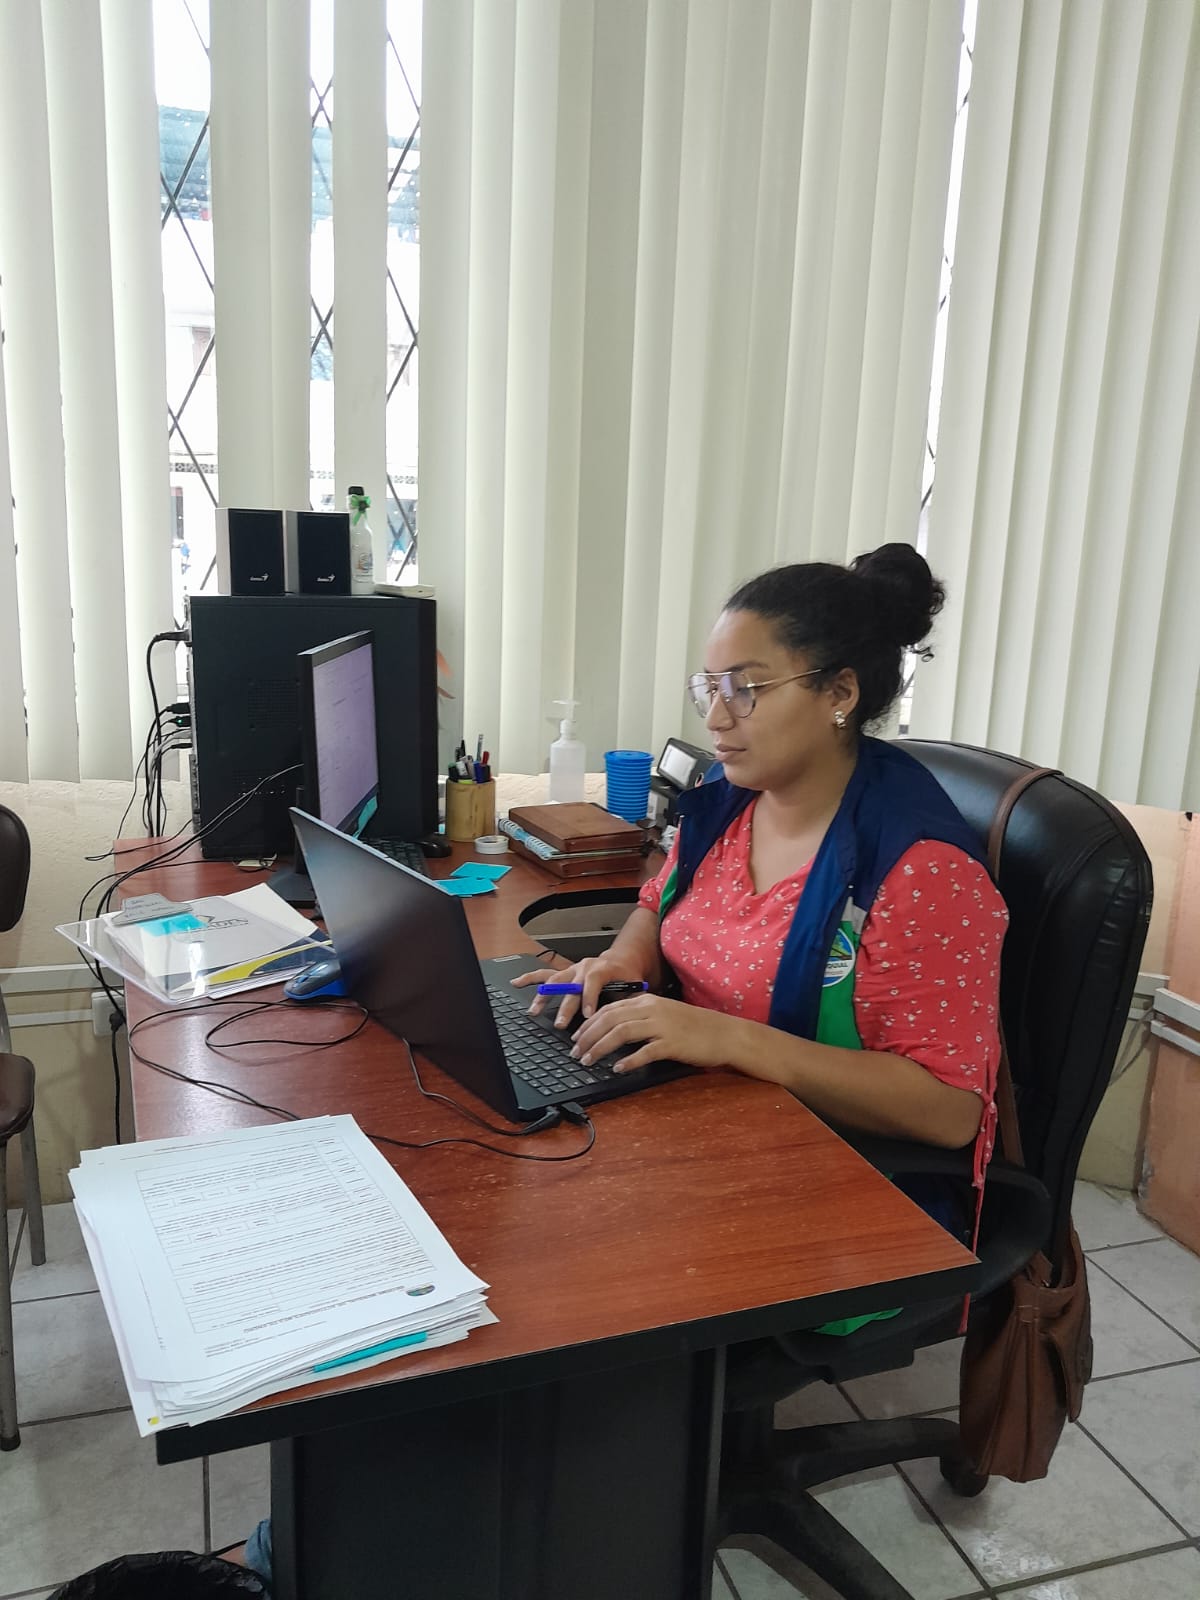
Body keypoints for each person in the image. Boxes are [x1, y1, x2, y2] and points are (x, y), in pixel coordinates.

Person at [514, 545, 1006, 1268]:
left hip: (832, 1189)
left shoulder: (920, 870)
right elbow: (658, 900)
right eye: (709, 688)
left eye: (745, 689)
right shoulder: (729, 801)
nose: (717, 717)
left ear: (839, 693)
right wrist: (622, 960)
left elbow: (949, 1109)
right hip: (703, 1129)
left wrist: (729, 1039)